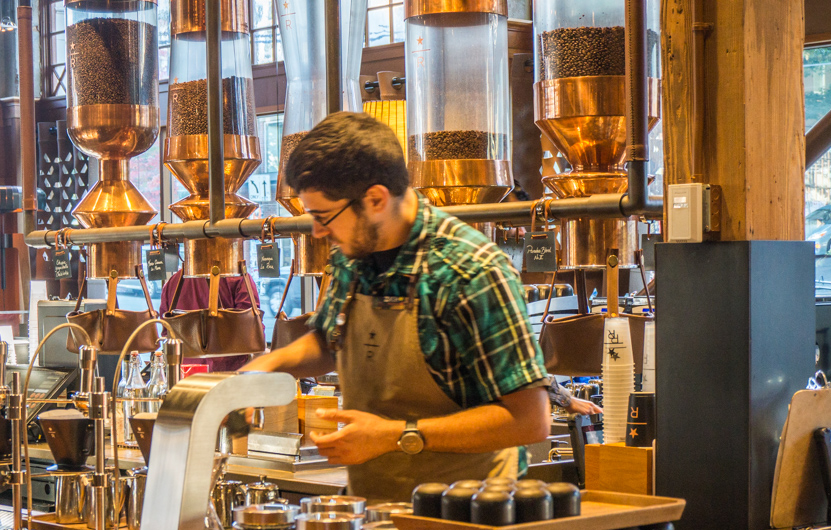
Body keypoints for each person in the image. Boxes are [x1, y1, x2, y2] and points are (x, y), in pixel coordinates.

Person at [243, 112, 551, 502]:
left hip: (469, 523)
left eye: (323, 217)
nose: (317, 232)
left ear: (375, 199)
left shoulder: (470, 272)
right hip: (373, 511)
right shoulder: (353, 255)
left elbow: (530, 420)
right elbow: (329, 341)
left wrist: (394, 436)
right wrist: (264, 367)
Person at [159, 268, 264, 372]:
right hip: (228, 373)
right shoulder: (237, 277)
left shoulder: (173, 282)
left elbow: (166, 332)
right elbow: (251, 331)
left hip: (184, 373)